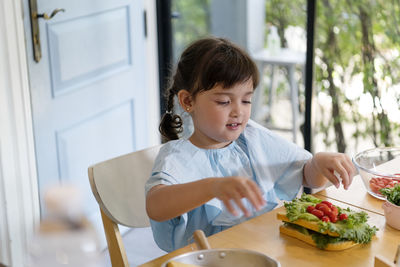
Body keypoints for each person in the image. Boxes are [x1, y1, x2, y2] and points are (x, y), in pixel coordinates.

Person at [145, 37, 356, 252]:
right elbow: (155, 206)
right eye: (224, 102)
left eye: (246, 100)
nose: (239, 111)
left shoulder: (252, 138)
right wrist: (212, 187)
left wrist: (318, 163)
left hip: (262, 251)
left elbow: (305, 176)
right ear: (188, 102)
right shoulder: (177, 156)